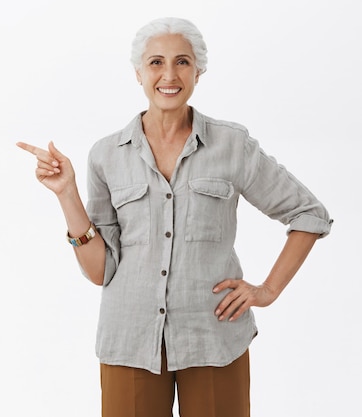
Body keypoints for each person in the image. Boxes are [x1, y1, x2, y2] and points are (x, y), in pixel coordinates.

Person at [16, 17, 332, 417]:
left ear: (198, 71)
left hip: (214, 338)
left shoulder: (231, 145)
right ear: (138, 73)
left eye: (182, 62)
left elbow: (309, 214)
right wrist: (66, 194)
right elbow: (101, 271)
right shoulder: (106, 155)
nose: (169, 74)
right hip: (129, 340)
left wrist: (267, 290)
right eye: (155, 63)